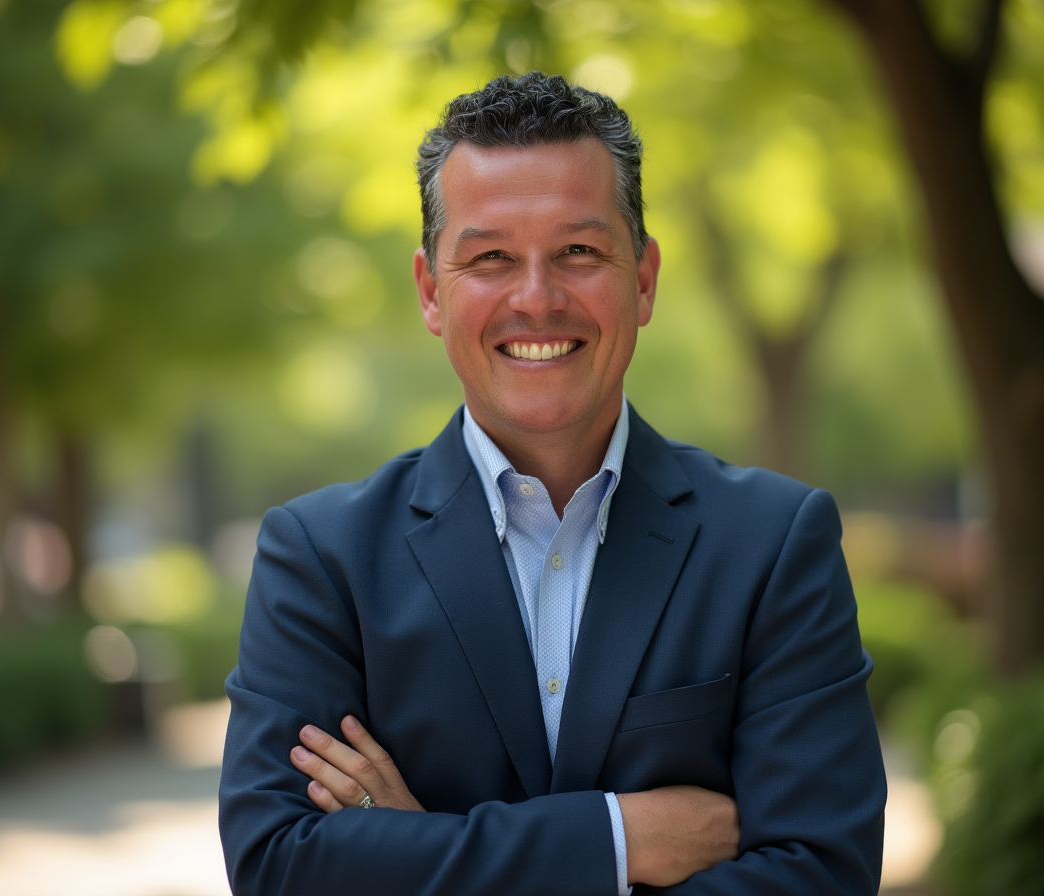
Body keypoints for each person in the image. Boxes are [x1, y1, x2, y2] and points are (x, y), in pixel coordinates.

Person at [219, 71, 886, 895]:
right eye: (492, 258)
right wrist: (616, 840)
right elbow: (281, 868)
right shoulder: (322, 560)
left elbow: (823, 873)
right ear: (432, 292)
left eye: (578, 252)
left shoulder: (775, 543)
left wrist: (418, 851)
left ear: (643, 279)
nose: (537, 300)